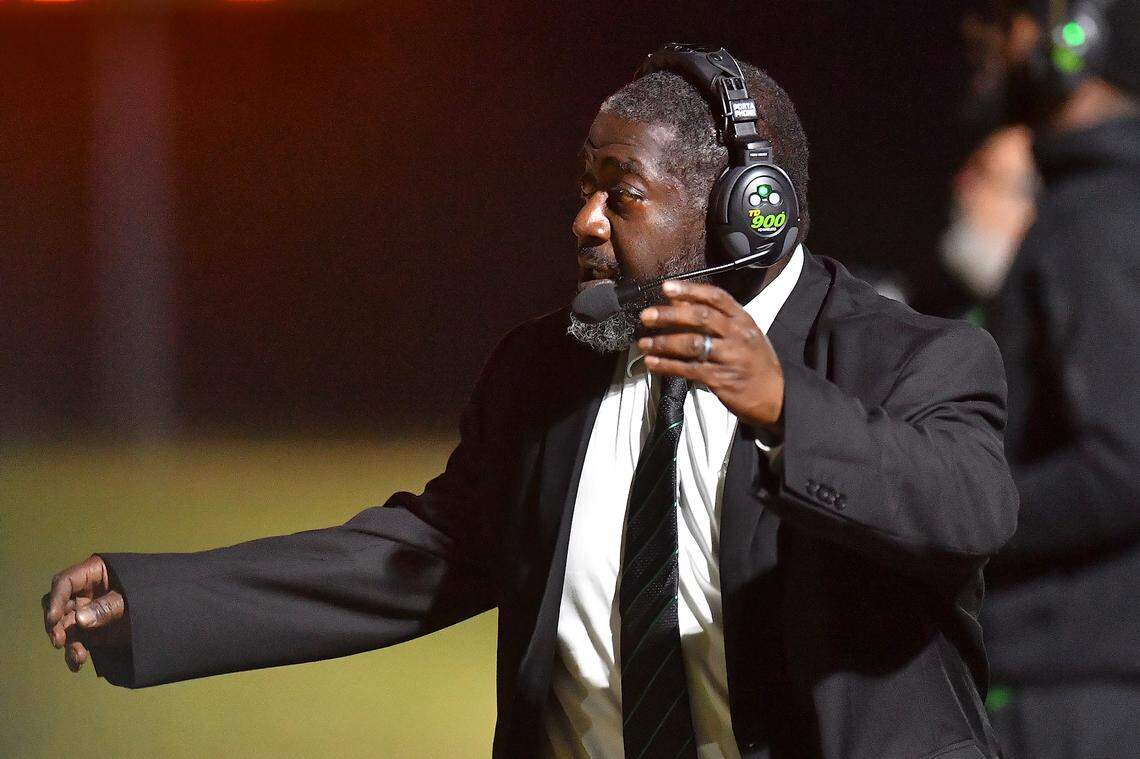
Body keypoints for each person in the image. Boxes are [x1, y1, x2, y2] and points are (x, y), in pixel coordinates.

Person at [42, 46, 1018, 759]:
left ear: (740, 206)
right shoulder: (549, 368)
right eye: (583, 186)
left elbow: (969, 506)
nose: (585, 220)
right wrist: (164, 602)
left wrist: (783, 406)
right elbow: (431, 553)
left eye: (619, 192)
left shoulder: (911, 359)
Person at [961, 1, 1140, 756]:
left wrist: (962, 510)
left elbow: (1123, 461)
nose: (989, 51)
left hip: (1078, 695)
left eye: (1006, 27)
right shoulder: (1093, 205)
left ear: (1074, 40)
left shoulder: (1095, 217)